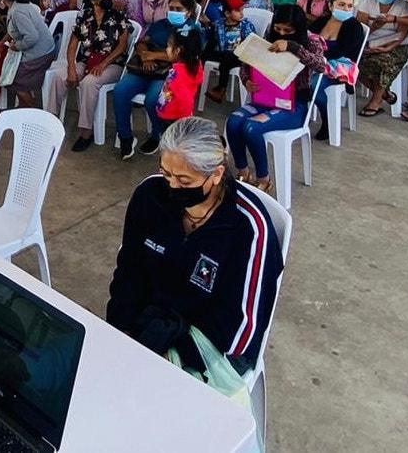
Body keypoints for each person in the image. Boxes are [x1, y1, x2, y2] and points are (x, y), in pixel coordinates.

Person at [107, 117, 283, 375]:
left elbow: (241, 329)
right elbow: (129, 270)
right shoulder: (150, 194)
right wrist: (120, 329)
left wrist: (173, 355)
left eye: (185, 181)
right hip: (151, 326)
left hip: (212, 348)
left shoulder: (248, 227)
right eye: (166, 174)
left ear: (216, 175)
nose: (172, 186)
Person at [227, 5, 327, 194]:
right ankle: (243, 171)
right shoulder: (267, 37)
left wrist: (293, 47)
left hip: (293, 107)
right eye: (278, 28)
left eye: (288, 30)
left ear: (298, 28)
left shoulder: (312, 42)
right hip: (262, 100)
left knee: (251, 127)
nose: (281, 33)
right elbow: (246, 65)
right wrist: (247, 81)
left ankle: (264, 178)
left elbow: (321, 66)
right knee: (234, 122)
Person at [113, 0, 201, 159]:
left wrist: (153, 56)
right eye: (171, 8)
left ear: (189, 12)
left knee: (153, 100)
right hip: (145, 68)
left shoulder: (192, 30)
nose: (173, 12)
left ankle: (157, 135)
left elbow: (184, 55)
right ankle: (125, 137)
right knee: (120, 92)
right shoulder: (160, 24)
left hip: (169, 74)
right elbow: (142, 42)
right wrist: (144, 55)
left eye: (179, 9)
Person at [55, 0, 131, 150]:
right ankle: (50, 120)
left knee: (89, 82)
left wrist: (103, 64)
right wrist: (71, 68)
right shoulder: (85, 16)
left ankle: (85, 132)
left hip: (112, 63)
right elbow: (73, 45)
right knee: (59, 77)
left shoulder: (118, 15)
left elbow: (122, 46)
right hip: (87, 60)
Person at [307, 0, 364, 141]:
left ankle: (327, 121)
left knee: (314, 84)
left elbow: (341, 53)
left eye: (349, 6)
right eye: (341, 5)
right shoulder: (322, 21)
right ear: (331, 6)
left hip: (340, 69)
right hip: (316, 62)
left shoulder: (354, 27)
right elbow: (307, 39)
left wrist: (315, 59)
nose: (346, 9)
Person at [354, 0, 408, 117]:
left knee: (383, 63)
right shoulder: (368, 4)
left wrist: (387, 47)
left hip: (397, 45)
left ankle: (376, 101)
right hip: (370, 42)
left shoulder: (404, 7)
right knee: (355, 66)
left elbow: (402, 33)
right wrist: (376, 26)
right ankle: (384, 93)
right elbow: (360, 30)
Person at [0, 0, 56, 108]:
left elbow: (32, 37)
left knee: (12, 79)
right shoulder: (19, 5)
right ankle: (24, 106)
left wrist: (16, 46)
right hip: (41, 49)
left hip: (41, 53)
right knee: (10, 71)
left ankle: (33, 111)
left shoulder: (18, 11)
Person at [202, 0, 256, 104]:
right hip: (223, 54)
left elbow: (251, 45)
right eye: (237, 11)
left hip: (240, 57)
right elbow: (213, 41)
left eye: (242, 10)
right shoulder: (219, 25)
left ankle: (221, 88)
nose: (241, 13)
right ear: (227, 13)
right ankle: (198, 76)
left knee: (227, 57)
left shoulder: (245, 25)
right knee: (207, 53)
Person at [154, 28, 205, 135]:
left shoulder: (178, 74)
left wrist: (184, 121)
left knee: (171, 145)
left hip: (172, 119)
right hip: (175, 116)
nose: (166, 49)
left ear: (178, 50)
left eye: (169, 46)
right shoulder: (194, 66)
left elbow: (186, 99)